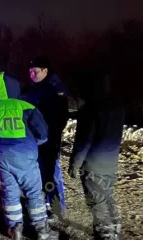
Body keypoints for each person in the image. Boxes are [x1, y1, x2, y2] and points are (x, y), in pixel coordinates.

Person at [0, 72, 58, 240]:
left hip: (2, 158)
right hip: (26, 156)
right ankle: (42, 231)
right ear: (15, 87)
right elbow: (43, 133)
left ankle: (15, 230)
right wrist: (34, 144)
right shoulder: (26, 107)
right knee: (34, 192)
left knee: (10, 193)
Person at [68, 72, 124, 240]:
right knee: (107, 197)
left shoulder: (89, 110)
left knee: (97, 204)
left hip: (93, 166)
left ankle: (105, 236)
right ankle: (115, 231)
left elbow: (84, 141)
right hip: (110, 163)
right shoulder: (118, 108)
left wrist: (74, 164)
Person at [21, 56, 69, 221]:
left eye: (35, 71)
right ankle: (44, 202)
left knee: (52, 173)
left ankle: (56, 206)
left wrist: (52, 135)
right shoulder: (33, 89)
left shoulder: (55, 90)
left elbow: (61, 117)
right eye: (30, 72)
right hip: (35, 139)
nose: (32, 74)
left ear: (45, 71)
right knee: (39, 172)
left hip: (50, 139)